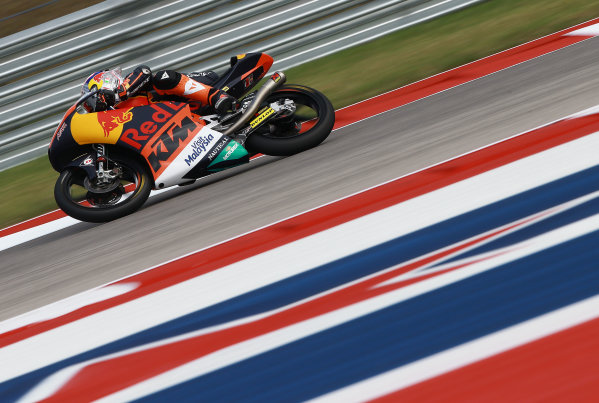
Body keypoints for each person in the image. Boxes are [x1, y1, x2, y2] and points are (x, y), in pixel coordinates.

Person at [81, 65, 236, 113]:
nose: (92, 108)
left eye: (90, 103)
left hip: (201, 87)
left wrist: (121, 93)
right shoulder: (115, 115)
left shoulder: (127, 86)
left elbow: (144, 71)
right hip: (183, 122)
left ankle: (217, 96)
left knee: (162, 77)